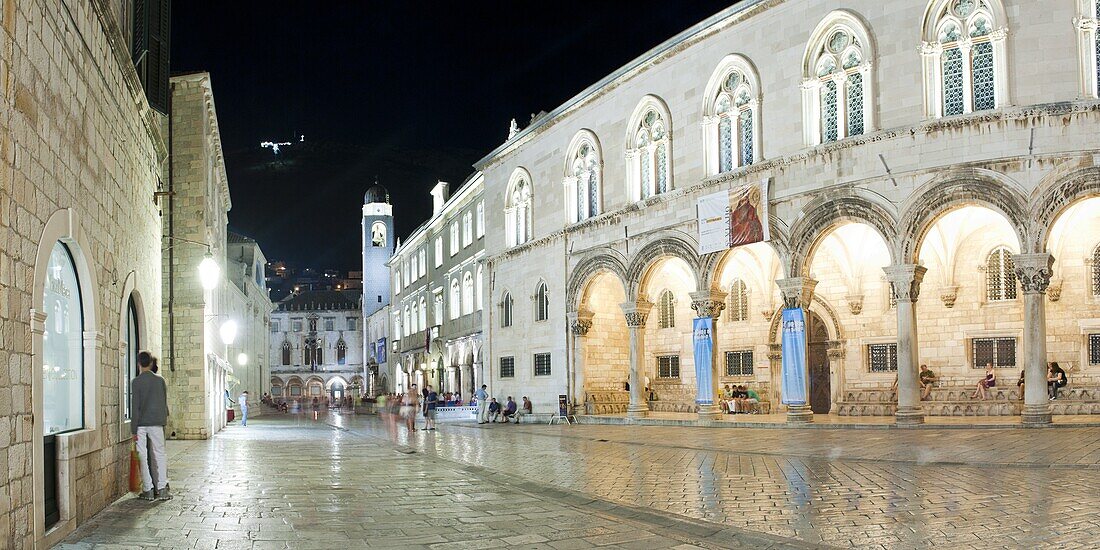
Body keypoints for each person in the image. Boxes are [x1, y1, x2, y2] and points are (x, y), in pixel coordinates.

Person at [131, 351, 171, 501]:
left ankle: (147, 489)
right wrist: (163, 421)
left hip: (141, 424)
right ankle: (162, 488)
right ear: (151, 363)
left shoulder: (136, 382)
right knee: (160, 454)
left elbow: (135, 407)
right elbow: (163, 402)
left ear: (139, 364)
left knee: (142, 455)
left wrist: (133, 429)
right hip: (156, 423)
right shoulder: (160, 381)